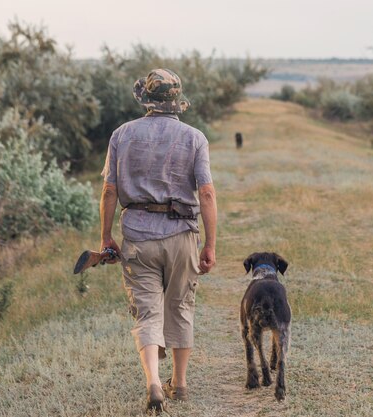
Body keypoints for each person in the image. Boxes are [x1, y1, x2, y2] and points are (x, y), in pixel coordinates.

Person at [99, 68, 217, 412]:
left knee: (147, 311)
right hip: (182, 235)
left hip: (137, 235)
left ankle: (153, 381)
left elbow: (109, 189)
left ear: (147, 101)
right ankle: (179, 384)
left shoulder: (122, 135)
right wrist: (209, 245)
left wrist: (106, 237)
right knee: (180, 305)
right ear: (176, 102)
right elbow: (206, 193)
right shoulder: (195, 138)